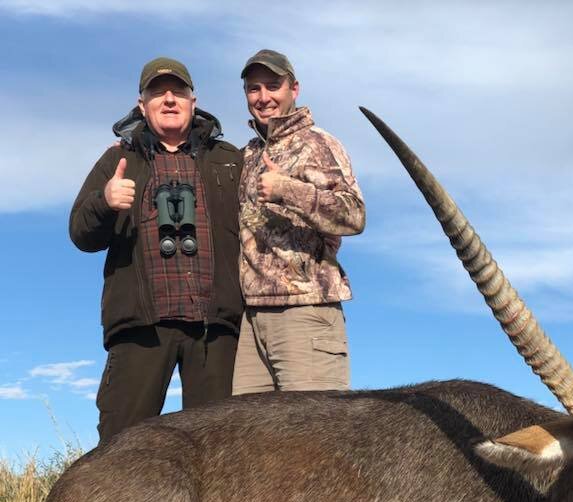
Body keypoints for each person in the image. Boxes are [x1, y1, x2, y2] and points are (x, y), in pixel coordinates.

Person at [70, 58, 244, 444]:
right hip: (141, 328)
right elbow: (80, 233)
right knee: (121, 446)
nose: (169, 100)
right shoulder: (118, 159)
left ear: (193, 101)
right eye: (157, 93)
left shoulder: (229, 158)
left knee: (222, 452)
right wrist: (105, 201)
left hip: (213, 331)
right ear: (141, 103)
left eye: (178, 92)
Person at [232, 49, 364, 395]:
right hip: (252, 320)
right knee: (249, 443)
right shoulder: (247, 154)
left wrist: (288, 189)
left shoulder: (318, 143)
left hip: (305, 312)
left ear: (294, 89)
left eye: (272, 86)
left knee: (314, 442)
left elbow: (353, 215)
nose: (263, 98)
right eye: (253, 89)